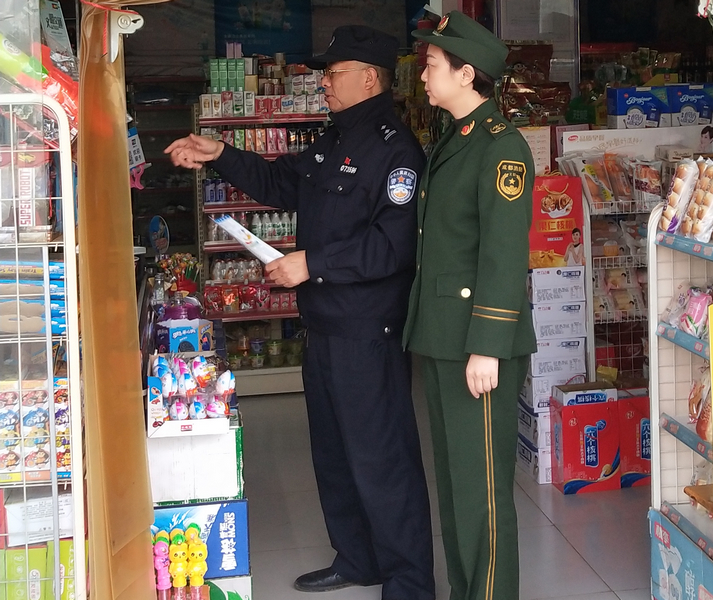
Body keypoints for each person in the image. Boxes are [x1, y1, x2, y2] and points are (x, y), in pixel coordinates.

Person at [165, 26, 435, 600]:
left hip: (367, 331)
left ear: (369, 78)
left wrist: (313, 263)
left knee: (382, 461)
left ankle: (410, 583)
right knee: (334, 456)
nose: (324, 83)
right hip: (323, 326)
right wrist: (220, 153)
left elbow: (392, 247)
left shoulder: (396, 151)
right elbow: (281, 181)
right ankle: (357, 558)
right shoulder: (333, 140)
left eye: (333, 73)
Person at [402, 11, 537, 600]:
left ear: (465, 73)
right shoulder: (455, 139)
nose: (423, 75)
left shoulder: (501, 148)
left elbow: (504, 255)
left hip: (475, 346)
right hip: (442, 335)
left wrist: (487, 345)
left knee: (482, 490)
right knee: (457, 484)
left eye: (431, 64)